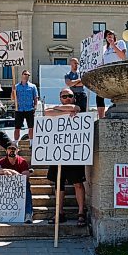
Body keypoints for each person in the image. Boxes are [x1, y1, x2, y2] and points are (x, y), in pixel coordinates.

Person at [45, 88, 87, 227]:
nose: (67, 98)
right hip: (58, 154)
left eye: (70, 96)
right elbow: (47, 112)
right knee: (59, 184)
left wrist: (64, 109)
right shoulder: (57, 108)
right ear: (60, 98)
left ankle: (81, 212)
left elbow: (75, 108)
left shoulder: (77, 106)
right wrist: (63, 110)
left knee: (78, 184)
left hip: (74, 153)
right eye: (64, 96)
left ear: (74, 97)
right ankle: (60, 212)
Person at [0, 141, 33, 223]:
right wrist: (7, 170)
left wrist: (15, 175)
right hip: (5, 187)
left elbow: (26, 176)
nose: (12, 151)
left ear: (17, 150)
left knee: (27, 186)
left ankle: (28, 213)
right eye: (10, 149)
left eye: (14, 149)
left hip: (18, 186)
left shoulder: (22, 161)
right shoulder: (2, 161)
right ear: (6, 151)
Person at [99, 30, 127, 118]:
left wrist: (113, 45)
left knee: (117, 90)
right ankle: (101, 116)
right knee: (99, 93)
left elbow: (122, 56)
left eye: (110, 34)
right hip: (107, 73)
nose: (109, 36)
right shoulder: (104, 48)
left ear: (114, 36)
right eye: (107, 35)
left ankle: (117, 105)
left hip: (117, 72)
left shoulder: (120, 43)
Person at [12, 69, 38, 146]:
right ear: (22, 75)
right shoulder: (16, 86)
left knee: (31, 127)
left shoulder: (33, 86)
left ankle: (31, 142)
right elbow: (13, 98)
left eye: (28, 75)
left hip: (29, 109)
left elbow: (35, 97)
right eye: (25, 74)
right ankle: (16, 142)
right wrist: (13, 91)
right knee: (17, 127)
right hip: (19, 109)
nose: (27, 76)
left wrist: (35, 107)